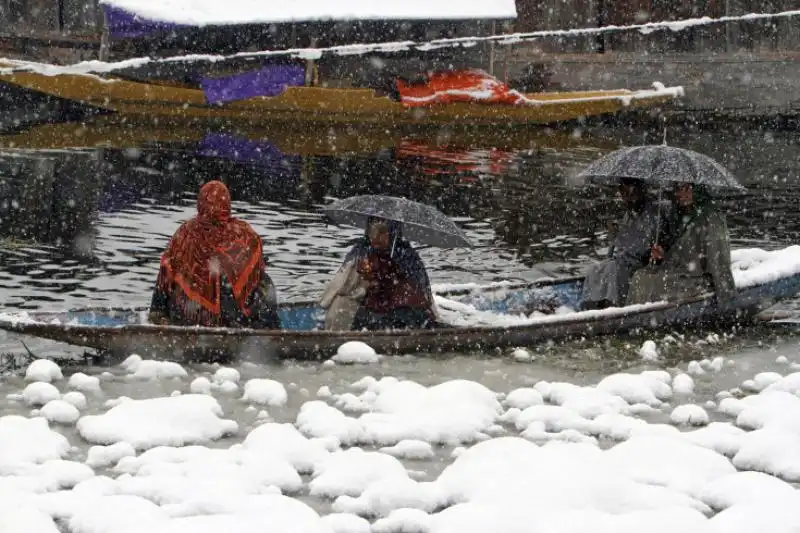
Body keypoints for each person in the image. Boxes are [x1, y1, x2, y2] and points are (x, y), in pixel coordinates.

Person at [149, 180, 280, 329]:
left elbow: (165, 276)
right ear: (227, 205)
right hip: (234, 320)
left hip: (186, 317)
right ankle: (269, 330)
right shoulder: (244, 235)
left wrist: (158, 311)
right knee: (262, 280)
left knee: (169, 273)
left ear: (200, 203)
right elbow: (258, 270)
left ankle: (159, 318)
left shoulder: (183, 234)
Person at [626, 182, 735, 305]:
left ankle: (643, 315)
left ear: (697, 189)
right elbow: (674, 250)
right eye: (677, 189)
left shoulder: (711, 218)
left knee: (652, 283)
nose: (681, 193)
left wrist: (726, 295)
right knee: (639, 275)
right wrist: (661, 254)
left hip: (698, 280)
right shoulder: (676, 216)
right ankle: (636, 314)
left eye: (687, 188)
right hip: (677, 272)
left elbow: (719, 260)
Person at [320, 217, 436, 331]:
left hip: (401, 309)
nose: (375, 237)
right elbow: (345, 284)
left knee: (397, 317)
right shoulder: (363, 250)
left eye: (381, 232)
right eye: (372, 231)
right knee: (344, 308)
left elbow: (412, 291)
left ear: (392, 233)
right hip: (375, 305)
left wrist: (387, 276)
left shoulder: (406, 256)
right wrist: (368, 282)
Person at [580, 178, 666, 310]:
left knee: (615, 269)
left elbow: (641, 246)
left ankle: (614, 305)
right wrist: (615, 235)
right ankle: (591, 305)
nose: (626, 198)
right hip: (624, 258)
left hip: (640, 261)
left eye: (630, 193)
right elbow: (621, 245)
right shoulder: (629, 214)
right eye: (623, 193)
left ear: (639, 191)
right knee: (595, 270)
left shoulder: (653, 214)